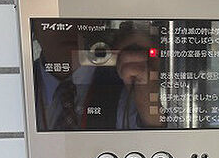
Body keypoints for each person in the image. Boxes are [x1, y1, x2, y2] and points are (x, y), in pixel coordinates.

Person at [31, 20, 163, 131]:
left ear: (100, 22)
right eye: (53, 15)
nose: (67, 24)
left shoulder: (132, 78)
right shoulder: (22, 81)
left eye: (80, 11)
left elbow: (158, 144)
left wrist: (151, 109)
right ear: (33, 28)